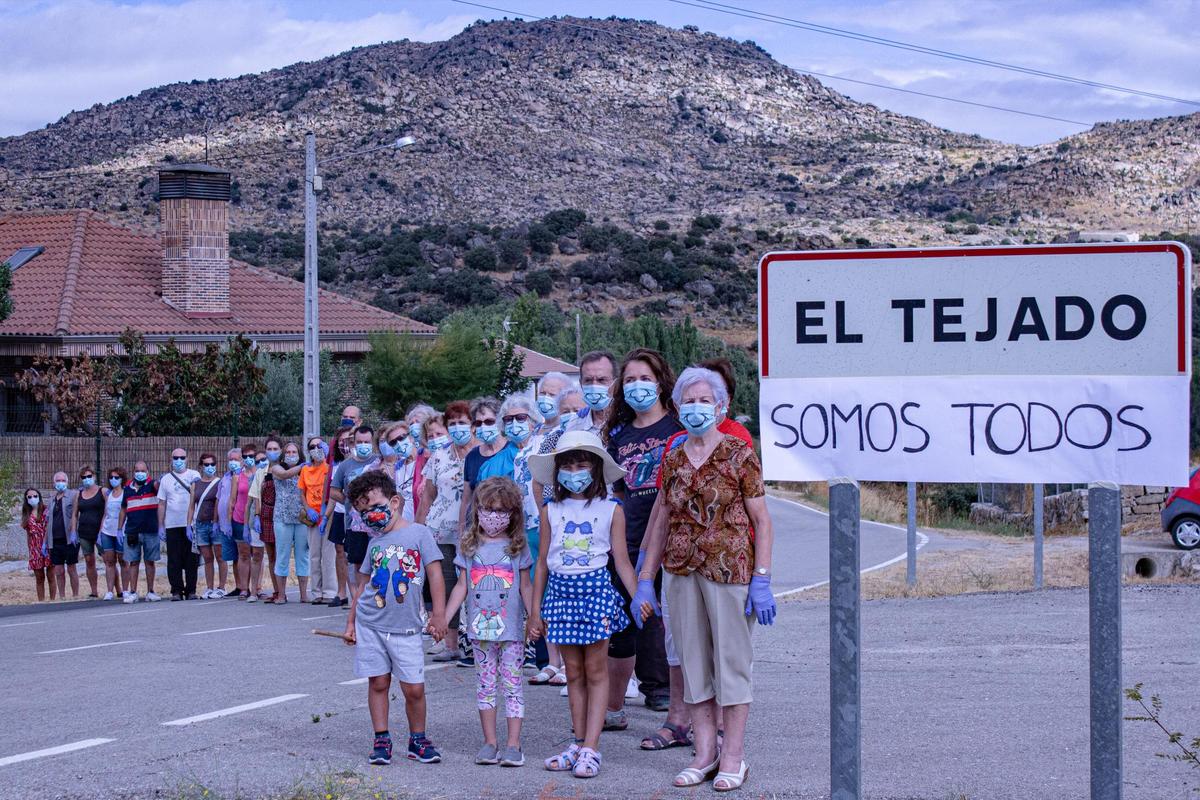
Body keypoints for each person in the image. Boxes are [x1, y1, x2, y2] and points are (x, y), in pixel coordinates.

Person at [636, 366, 776, 792]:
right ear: (677, 408)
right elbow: (662, 519)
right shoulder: (674, 455)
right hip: (680, 573)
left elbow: (762, 520)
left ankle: (733, 756)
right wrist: (646, 577)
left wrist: (763, 578)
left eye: (704, 401)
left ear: (720, 406)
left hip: (730, 571)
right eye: (688, 401)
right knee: (694, 666)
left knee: (731, 665)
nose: (696, 408)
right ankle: (704, 753)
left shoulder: (739, 453)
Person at [527, 431, 636, 779]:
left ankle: (592, 746)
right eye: (568, 466)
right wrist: (535, 610)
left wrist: (640, 598)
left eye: (582, 465)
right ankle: (577, 741)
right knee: (572, 672)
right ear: (557, 472)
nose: (575, 472)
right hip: (560, 595)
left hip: (596, 594)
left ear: (597, 469)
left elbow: (621, 560)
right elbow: (542, 562)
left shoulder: (611, 508)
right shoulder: (551, 509)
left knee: (596, 670)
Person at [342, 469, 447, 766]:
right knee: (377, 683)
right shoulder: (373, 543)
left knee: (414, 688)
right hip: (371, 624)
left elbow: (436, 574)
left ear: (395, 502)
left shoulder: (419, 533)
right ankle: (382, 738)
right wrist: (351, 623)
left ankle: (418, 739)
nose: (371, 516)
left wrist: (439, 614)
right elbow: (363, 585)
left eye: (375, 507)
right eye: (364, 513)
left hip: (407, 627)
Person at [602, 347, 681, 722]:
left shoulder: (679, 427)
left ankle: (661, 689)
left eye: (645, 379)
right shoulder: (619, 435)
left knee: (664, 621)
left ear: (661, 382)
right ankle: (615, 701)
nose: (638, 386)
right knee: (629, 618)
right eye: (630, 380)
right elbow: (618, 490)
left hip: (672, 538)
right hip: (629, 538)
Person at [444, 476, 533, 767]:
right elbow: (461, 586)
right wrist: (445, 619)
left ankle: (513, 744)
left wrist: (534, 618)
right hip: (479, 632)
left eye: (501, 511)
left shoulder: (517, 547)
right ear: (477, 510)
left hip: (512, 633)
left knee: (512, 685)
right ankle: (490, 742)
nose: (493, 516)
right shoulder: (469, 546)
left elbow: (526, 586)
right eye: (487, 509)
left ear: (513, 514)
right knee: (484, 685)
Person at [501, 394, 563, 681]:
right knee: (537, 594)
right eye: (509, 419)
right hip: (525, 531)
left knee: (555, 592)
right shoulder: (515, 454)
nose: (515, 424)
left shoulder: (545, 443)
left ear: (533, 418)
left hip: (548, 526)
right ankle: (549, 661)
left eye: (520, 418)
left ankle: (561, 662)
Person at [416, 406, 472, 663]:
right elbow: (428, 496)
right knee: (448, 587)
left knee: (474, 586)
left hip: (474, 531)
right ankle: (451, 645)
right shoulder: (438, 457)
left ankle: (474, 640)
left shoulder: (480, 453)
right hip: (441, 531)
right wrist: (418, 530)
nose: (457, 429)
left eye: (462, 422)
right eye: (453, 424)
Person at [330, 426, 379, 600]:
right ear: (354, 442)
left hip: (377, 524)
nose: (363, 445)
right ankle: (360, 600)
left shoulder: (378, 462)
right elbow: (333, 490)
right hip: (353, 524)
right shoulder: (346, 465)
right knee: (357, 562)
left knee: (377, 563)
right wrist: (349, 500)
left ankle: (377, 599)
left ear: (372, 442)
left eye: (367, 442)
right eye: (360, 442)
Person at [158, 448, 201, 601]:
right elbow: (162, 504)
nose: (178, 461)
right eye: (175, 458)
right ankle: (176, 590)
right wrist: (160, 525)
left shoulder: (194, 475)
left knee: (191, 559)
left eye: (182, 457)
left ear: (187, 458)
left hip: (190, 524)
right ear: (171, 459)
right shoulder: (166, 480)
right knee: (174, 559)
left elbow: (198, 497)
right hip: (172, 524)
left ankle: (191, 590)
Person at [270, 441, 309, 604]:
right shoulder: (276, 468)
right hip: (282, 517)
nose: (291, 455)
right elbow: (285, 475)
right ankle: (281, 594)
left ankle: (303, 595)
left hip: (301, 518)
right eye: (288, 452)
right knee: (282, 555)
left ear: (300, 454)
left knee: (303, 556)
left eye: (294, 452)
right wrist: (304, 466)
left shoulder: (306, 470)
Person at [119, 461, 161, 603]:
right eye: (137, 470)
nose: (140, 473)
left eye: (142, 470)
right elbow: (124, 508)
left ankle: (151, 591)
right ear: (133, 472)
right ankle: (133, 591)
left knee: (150, 561)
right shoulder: (128, 488)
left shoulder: (152, 485)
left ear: (148, 471)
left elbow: (160, 489)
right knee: (133, 562)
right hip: (132, 530)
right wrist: (119, 529)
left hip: (151, 530)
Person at [300, 436, 335, 604]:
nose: (316, 449)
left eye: (319, 446)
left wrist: (324, 511)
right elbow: (301, 492)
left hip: (327, 514)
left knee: (328, 554)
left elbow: (333, 490)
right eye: (312, 447)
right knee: (314, 555)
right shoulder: (305, 470)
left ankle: (330, 591)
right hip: (312, 516)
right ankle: (316, 592)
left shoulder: (329, 468)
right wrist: (308, 509)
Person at [323, 425, 355, 608]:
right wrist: (325, 515)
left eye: (348, 441)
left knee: (353, 554)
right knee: (340, 552)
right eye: (342, 441)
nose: (345, 444)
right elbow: (332, 492)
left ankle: (355, 594)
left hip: (356, 515)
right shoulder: (335, 466)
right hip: (340, 512)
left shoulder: (362, 462)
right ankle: (341, 592)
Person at [188, 453, 226, 599]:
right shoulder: (195, 484)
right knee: (207, 557)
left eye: (212, 464)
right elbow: (192, 505)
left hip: (215, 524)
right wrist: (188, 524)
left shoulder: (220, 482)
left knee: (220, 556)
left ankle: (221, 587)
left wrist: (219, 522)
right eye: (206, 464)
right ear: (201, 466)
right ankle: (209, 587)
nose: (209, 467)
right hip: (200, 524)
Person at [246, 443, 278, 601]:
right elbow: (254, 499)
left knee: (275, 556)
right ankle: (253, 591)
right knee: (257, 555)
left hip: (278, 518)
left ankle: (278, 591)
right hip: (261, 518)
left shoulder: (283, 470)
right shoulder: (259, 474)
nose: (262, 462)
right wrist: (254, 518)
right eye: (257, 460)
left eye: (274, 449)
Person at [70, 466, 104, 598]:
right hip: (84, 532)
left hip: (100, 532)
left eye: (89, 476)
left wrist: (103, 530)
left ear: (94, 476)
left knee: (108, 560)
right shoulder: (79, 494)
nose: (87, 479)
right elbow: (74, 514)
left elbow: (108, 509)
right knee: (89, 561)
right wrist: (73, 531)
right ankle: (94, 591)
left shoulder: (102, 491)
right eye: (84, 477)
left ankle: (116, 588)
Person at [47, 471, 80, 599]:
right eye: (58, 481)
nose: (60, 483)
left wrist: (73, 532)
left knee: (71, 568)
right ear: (54, 483)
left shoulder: (73, 495)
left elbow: (75, 515)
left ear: (67, 482)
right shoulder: (52, 500)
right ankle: (62, 597)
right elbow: (48, 521)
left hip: (69, 539)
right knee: (59, 570)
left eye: (63, 480)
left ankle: (76, 595)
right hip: (55, 540)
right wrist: (46, 542)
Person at [98, 468, 127, 601]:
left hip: (121, 531)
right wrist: (100, 531)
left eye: (117, 477)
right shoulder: (108, 494)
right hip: (107, 531)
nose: (113, 480)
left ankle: (125, 590)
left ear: (122, 479)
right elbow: (106, 513)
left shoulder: (125, 493)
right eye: (111, 477)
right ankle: (110, 591)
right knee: (109, 562)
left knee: (123, 561)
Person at [21, 488, 54, 602]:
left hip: (47, 546)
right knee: (39, 578)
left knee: (51, 576)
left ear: (39, 496)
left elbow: (49, 527)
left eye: (34, 496)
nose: (32, 498)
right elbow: (28, 533)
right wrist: (30, 550)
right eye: (29, 497)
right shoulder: (26, 513)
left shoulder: (46, 510)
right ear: (26, 499)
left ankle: (53, 600)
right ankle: (41, 601)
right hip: (35, 548)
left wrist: (48, 544)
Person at [405, 404, 436, 511]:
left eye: (417, 422)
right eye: (411, 424)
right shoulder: (420, 455)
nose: (414, 426)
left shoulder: (440, 452)